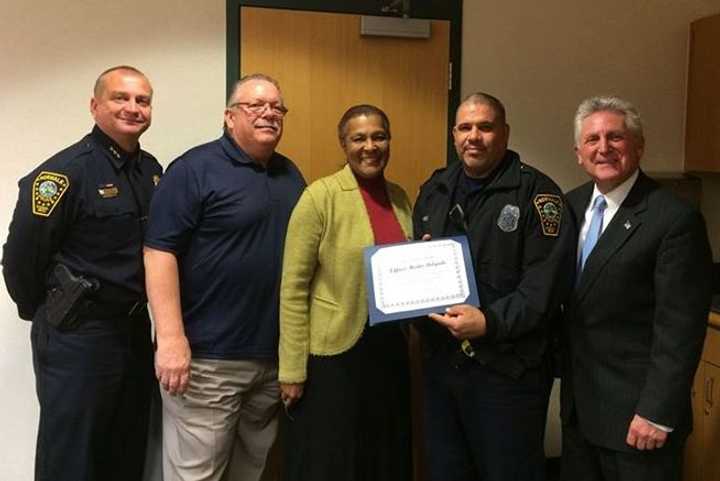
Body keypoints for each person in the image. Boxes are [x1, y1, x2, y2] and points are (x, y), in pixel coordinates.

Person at [2, 65, 161, 481]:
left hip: (132, 333)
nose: (132, 108)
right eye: (120, 98)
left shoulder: (151, 171)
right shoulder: (61, 175)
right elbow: (20, 260)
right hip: (79, 334)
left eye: (142, 100)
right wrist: (49, 313)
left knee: (125, 447)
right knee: (70, 455)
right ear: (95, 106)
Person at [144, 73, 305, 481]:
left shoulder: (291, 176)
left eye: (277, 107)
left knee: (249, 473)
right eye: (256, 105)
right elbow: (158, 253)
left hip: (270, 361)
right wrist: (171, 339)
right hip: (206, 361)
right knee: (195, 476)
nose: (269, 113)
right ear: (229, 117)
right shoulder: (193, 170)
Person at [412, 92, 575, 481]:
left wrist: (489, 322)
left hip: (507, 373)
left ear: (504, 133)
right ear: (454, 135)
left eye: (485, 127)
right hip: (443, 370)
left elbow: (544, 290)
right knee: (446, 471)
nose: (474, 137)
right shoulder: (434, 190)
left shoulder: (539, 195)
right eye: (465, 127)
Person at [560, 96, 713, 481]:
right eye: (592, 139)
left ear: (639, 146)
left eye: (616, 137)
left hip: (638, 421)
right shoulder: (569, 207)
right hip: (581, 411)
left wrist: (657, 413)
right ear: (578, 153)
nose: (603, 148)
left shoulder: (674, 220)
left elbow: (679, 330)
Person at [279, 104, 412, 481]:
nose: (370, 146)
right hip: (333, 355)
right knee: (331, 461)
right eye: (359, 138)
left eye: (379, 136)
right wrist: (291, 370)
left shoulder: (401, 198)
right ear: (343, 144)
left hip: (388, 351)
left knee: (381, 456)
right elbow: (292, 289)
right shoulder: (320, 197)